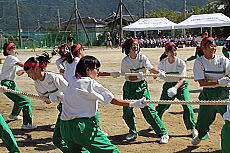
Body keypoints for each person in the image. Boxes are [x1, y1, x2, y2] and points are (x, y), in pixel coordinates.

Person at [60, 55, 146, 152]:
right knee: (112, 151)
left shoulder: (72, 79)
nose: (98, 72)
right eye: (97, 69)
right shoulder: (90, 84)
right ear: (88, 70)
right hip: (82, 128)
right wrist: (134, 103)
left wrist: (109, 74)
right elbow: (112, 100)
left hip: (65, 128)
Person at [120, 38, 169, 143]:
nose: (135, 47)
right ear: (128, 48)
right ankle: (132, 132)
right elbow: (128, 77)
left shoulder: (143, 58)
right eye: (133, 45)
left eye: (137, 45)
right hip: (129, 87)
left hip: (141, 87)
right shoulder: (125, 61)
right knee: (127, 111)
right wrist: (138, 76)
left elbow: (150, 68)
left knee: (148, 110)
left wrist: (159, 72)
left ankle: (163, 133)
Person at [23, 52, 72, 152]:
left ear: (36, 69)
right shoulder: (37, 84)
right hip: (62, 109)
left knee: (70, 139)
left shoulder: (54, 77)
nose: (29, 76)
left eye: (29, 73)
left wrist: (55, 96)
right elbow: (46, 99)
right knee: (57, 141)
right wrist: (49, 99)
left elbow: (71, 94)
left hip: (72, 108)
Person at [192, 37, 230, 145]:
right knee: (202, 123)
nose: (213, 48)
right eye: (210, 46)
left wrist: (223, 82)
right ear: (203, 48)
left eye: (214, 45)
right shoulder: (199, 62)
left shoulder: (223, 60)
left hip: (224, 94)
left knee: (229, 118)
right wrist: (218, 81)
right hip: (208, 95)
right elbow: (201, 83)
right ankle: (200, 136)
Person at [155, 42, 197, 137]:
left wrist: (175, 88)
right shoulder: (162, 63)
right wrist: (158, 73)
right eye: (171, 51)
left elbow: (182, 79)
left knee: (187, 105)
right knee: (162, 106)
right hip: (168, 85)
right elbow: (154, 76)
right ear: (166, 53)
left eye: (174, 50)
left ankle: (192, 128)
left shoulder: (180, 62)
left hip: (181, 86)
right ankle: (155, 122)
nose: (173, 53)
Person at [0, 42, 36, 129]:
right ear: (8, 51)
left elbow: (19, 72)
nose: (16, 50)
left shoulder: (12, 59)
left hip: (10, 84)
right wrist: (34, 66)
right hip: (7, 84)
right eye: (14, 48)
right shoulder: (11, 58)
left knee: (20, 99)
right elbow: (22, 65)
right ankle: (27, 124)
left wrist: (25, 70)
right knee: (25, 101)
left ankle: (14, 115)